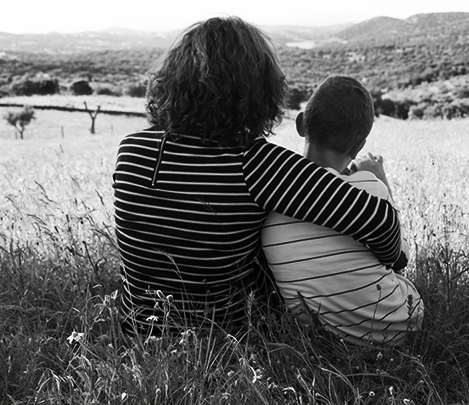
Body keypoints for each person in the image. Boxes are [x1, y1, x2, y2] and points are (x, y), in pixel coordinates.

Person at [112, 17, 404, 335]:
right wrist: (396, 263)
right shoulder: (255, 163)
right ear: (258, 92)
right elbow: (379, 221)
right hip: (219, 341)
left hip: (134, 332)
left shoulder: (132, 150)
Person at [261, 76, 424, 346]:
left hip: (315, 337)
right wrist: (380, 181)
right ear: (359, 147)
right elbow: (400, 256)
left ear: (301, 124)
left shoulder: (273, 200)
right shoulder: (370, 188)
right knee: (400, 279)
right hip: (396, 327)